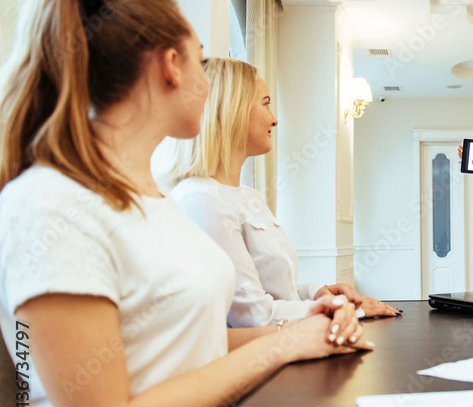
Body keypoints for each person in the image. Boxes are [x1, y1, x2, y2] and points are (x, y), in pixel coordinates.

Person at [0, 0, 371, 407]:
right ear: (172, 66)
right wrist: (281, 344)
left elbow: (189, 341)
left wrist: (310, 329)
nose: (207, 79)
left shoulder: (151, 200)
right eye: (201, 62)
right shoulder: (51, 205)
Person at [162, 57, 400, 328]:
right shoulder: (201, 199)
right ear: (233, 110)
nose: (274, 120)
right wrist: (343, 311)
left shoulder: (248, 196)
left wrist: (315, 293)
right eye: (265, 104)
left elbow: (274, 293)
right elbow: (249, 315)